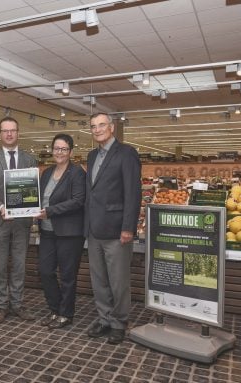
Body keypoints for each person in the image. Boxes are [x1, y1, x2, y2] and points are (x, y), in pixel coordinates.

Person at [85, 112, 141, 344]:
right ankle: (104, 318)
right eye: (93, 126)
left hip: (117, 230)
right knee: (99, 280)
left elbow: (133, 193)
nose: (97, 129)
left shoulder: (126, 153)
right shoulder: (91, 156)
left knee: (118, 281)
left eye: (101, 125)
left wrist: (128, 227)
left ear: (112, 128)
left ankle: (119, 322)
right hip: (94, 229)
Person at [0, 116, 38, 324]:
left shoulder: (29, 159)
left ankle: (18, 304)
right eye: (5, 131)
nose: (9, 134)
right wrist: (1, 206)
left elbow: (33, 190)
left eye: (13, 130)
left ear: (18, 132)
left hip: (22, 222)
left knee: (20, 265)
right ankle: (2, 306)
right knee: (1, 265)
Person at [36, 133, 86, 329]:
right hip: (47, 231)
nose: (59, 152)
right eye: (56, 148)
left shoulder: (77, 173)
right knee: (45, 271)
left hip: (69, 233)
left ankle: (66, 314)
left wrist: (49, 211)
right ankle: (55, 309)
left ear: (71, 152)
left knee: (67, 275)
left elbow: (77, 201)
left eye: (64, 149)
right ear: (51, 150)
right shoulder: (46, 173)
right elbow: (38, 198)